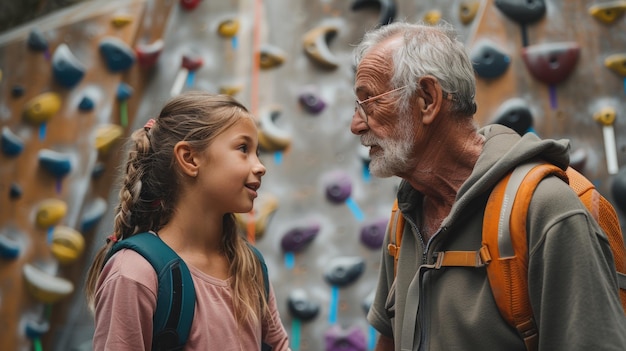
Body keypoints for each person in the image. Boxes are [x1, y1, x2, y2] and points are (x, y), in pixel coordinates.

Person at [350, 21, 626, 350]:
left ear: (427, 99)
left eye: (369, 102)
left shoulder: (546, 210)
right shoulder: (407, 213)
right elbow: (389, 341)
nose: (356, 125)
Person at [85, 92, 291, 350]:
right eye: (243, 149)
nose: (260, 166)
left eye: (257, 153)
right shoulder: (134, 274)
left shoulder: (250, 266)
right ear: (190, 158)